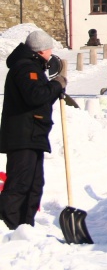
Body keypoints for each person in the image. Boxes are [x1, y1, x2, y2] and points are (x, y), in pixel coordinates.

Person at [0, 31, 68, 230]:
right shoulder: (25, 68)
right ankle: (7, 226)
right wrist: (55, 84)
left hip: (33, 134)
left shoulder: (32, 67)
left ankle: (24, 227)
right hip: (23, 135)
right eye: (49, 49)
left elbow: (41, 99)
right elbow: (35, 96)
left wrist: (56, 87)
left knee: (34, 184)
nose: (51, 53)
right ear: (41, 50)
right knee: (20, 183)